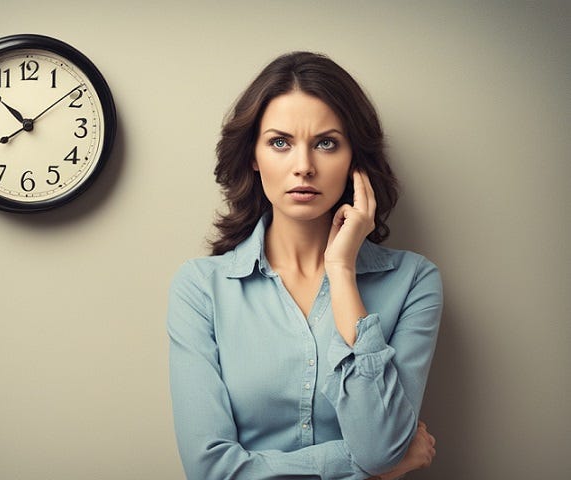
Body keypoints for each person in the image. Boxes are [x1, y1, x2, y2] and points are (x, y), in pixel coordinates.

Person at [167, 51, 442, 480]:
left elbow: (380, 443)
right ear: (253, 156)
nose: (304, 167)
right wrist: (366, 469)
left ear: (354, 159)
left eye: (326, 143)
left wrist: (342, 272)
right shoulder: (201, 288)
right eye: (280, 142)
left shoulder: (414, 282)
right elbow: (210, 470)